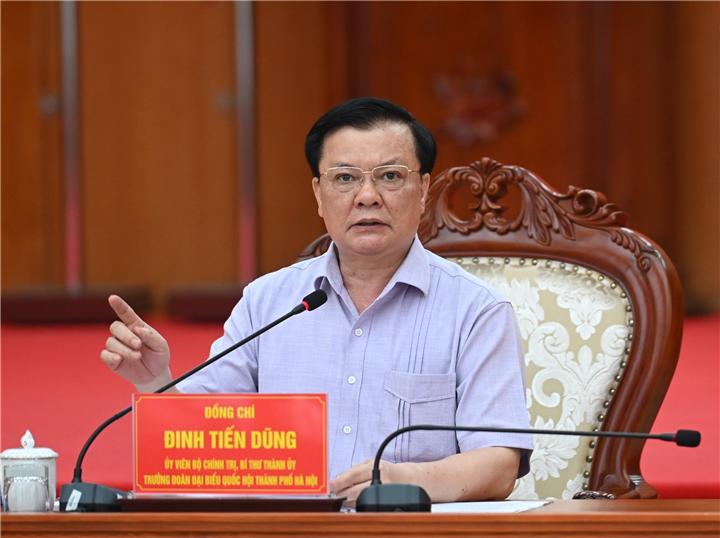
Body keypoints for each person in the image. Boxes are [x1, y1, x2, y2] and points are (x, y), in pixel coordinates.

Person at [101, 97, 532, 506]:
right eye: (345, 178)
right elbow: (199, 445)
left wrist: (408, 480)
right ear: (318, 194)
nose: (367, 196)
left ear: (423, 190)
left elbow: (499, 464)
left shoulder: (476, 311)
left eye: (389, 176)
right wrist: (155, 382)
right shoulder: (268, 302)